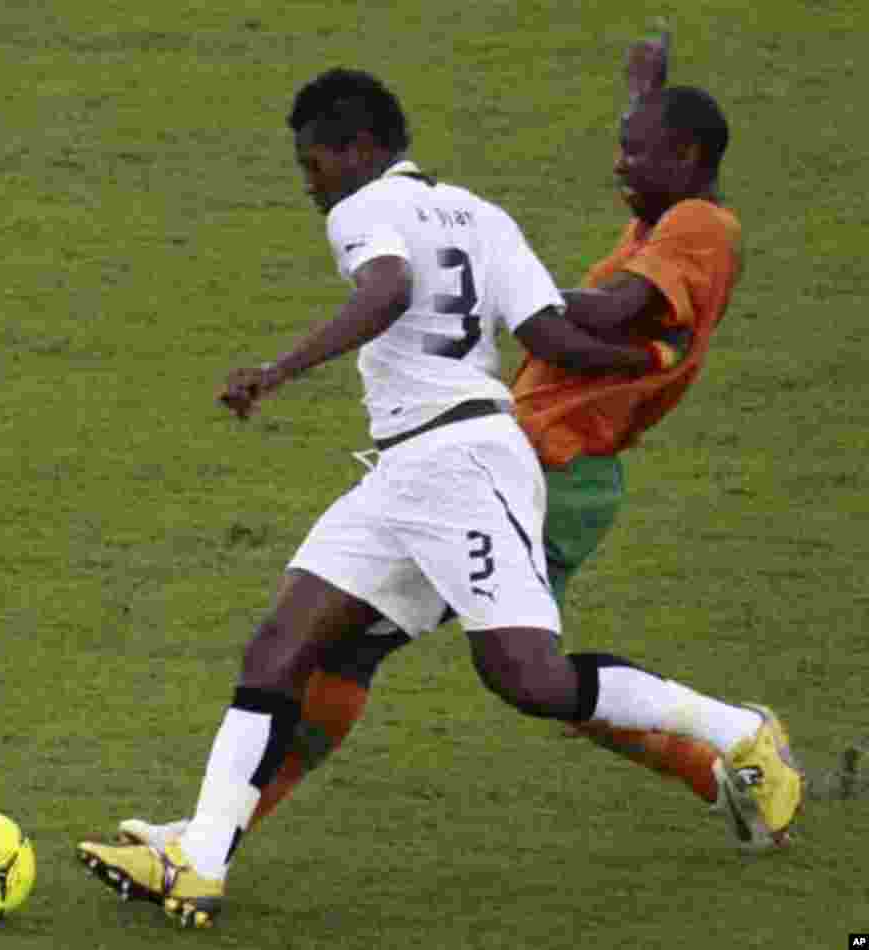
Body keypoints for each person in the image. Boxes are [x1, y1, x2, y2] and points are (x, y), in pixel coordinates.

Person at [77, 67, 802, 929]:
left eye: (313, 164)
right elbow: (551, 335)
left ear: (359, 149)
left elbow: (384, 291)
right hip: (406, 470)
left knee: (526, 676)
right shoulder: (482, 215)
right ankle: (198, 859)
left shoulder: (364, 209)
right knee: (280, 647)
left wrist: (276, 372)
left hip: (461, 465)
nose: (309, 184)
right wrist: (652, 362)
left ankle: (736, 736)